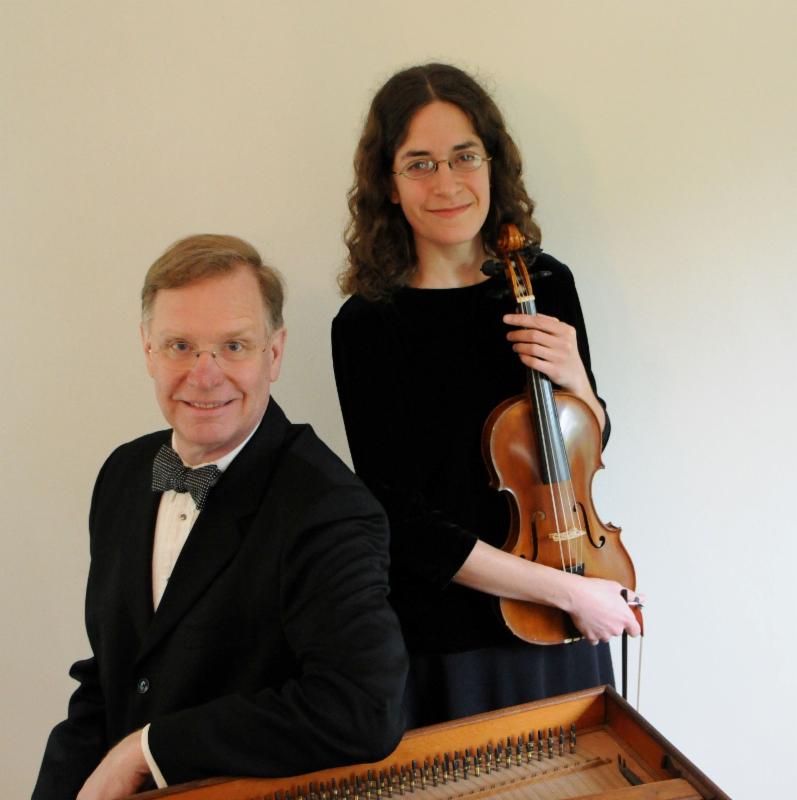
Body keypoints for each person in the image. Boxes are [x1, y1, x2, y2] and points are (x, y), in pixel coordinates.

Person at [34, 235, 408, 800]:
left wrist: (146, 750)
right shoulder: (124, 473)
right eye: (180, 346)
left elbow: (362, 709)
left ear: (274, 354)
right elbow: (111, 677)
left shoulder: (327, 506)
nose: (204, 375)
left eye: (233, 346)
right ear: (148, 351)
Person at [332, 63, 641, 727]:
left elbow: (584, 449)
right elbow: (401, 521)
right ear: (388, 183)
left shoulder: (545, 283)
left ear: (492, 164)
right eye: (419, 164)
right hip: (452, 635)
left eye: (464, 156)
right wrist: (564, 591)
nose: (446, 183)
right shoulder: (367, 325)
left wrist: (578, 382)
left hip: (569, 600)